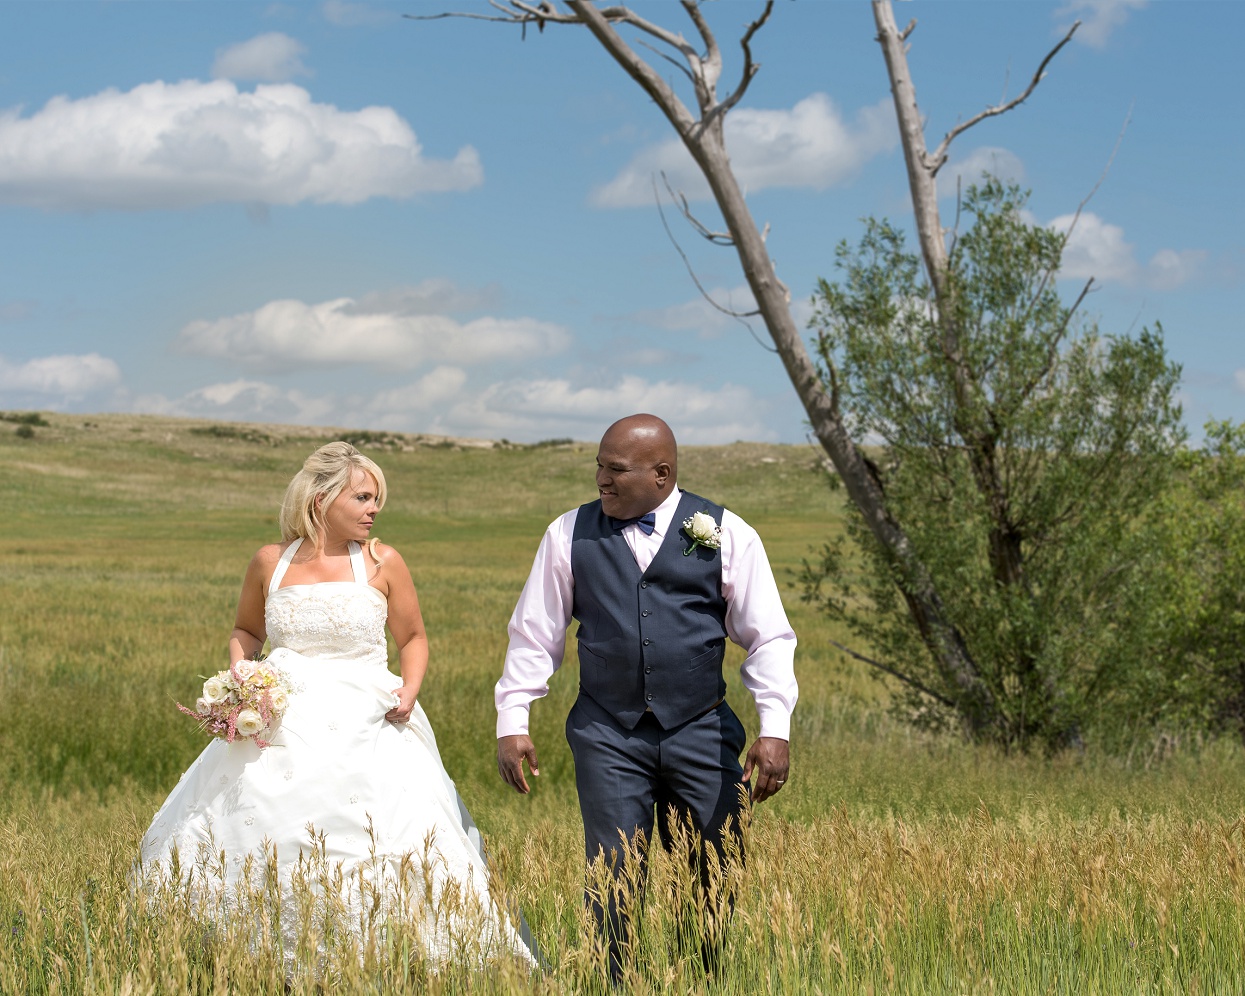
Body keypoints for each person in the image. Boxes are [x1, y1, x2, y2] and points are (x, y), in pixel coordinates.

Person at [140, 441, 537, 968]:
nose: (375, 510)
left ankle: (393, 952)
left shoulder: (383, 561)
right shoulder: (269, 562)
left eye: (377, 500)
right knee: (260, 828)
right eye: (365, 498)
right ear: (322, 497)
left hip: (370, 719)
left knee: (387, 832)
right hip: (282, 723)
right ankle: (248, 950)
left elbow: (413, 638)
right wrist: (243, 677)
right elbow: (246, 630)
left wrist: (409, 689)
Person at [495, 414, 797, 977]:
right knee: (612, 871)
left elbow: (769, 637)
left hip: (702, 728)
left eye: (616, 470)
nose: (601, 482)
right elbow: (535, 634)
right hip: (608, 730)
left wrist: (773, 728)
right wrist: (513, 719)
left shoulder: (729, 532)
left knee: (713, 863)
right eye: (598, 468)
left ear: (661, 474)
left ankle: (703, 979)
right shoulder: (567, 533)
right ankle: (612, 982)